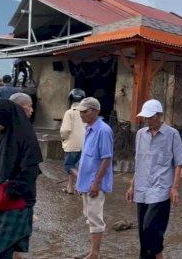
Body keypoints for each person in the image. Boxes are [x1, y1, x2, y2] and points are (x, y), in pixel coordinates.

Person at [0, 99, 42, 259]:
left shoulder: (25, 138)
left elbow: (30, 171)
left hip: (15, 201)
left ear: (4, 116)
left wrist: (10, 190)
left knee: (1, 249)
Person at [126, 99, 182, 259]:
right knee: (142, 233)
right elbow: (139, 162)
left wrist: (175, 187)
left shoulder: (172, 134)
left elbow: (179, 163)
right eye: (145, 117)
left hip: (161, 189)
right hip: (142, 188)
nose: (146, 120)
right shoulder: (140, 135)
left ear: (159, 116)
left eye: (150, 117)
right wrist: (132, 186)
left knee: (149, 227)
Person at [75, 97, 114, 259]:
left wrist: (96, 182)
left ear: (96, 111)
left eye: (85, 111)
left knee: (95, 217)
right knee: (89, 216)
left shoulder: (103, 130)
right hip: (86, 181)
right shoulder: (89, 128)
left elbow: (106, 158)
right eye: (81, 111)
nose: (81, 114)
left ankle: (95, 253)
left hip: (94, 183)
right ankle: (92, 250)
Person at [60, 88, 86, 194]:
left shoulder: (70, 112)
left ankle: (84, 182)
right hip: (84, 143)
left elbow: (65, 130)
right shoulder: (85, 112)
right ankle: (70, 187)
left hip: (72, 143)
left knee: (69, 166)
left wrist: (64, 137)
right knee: (76, 166)